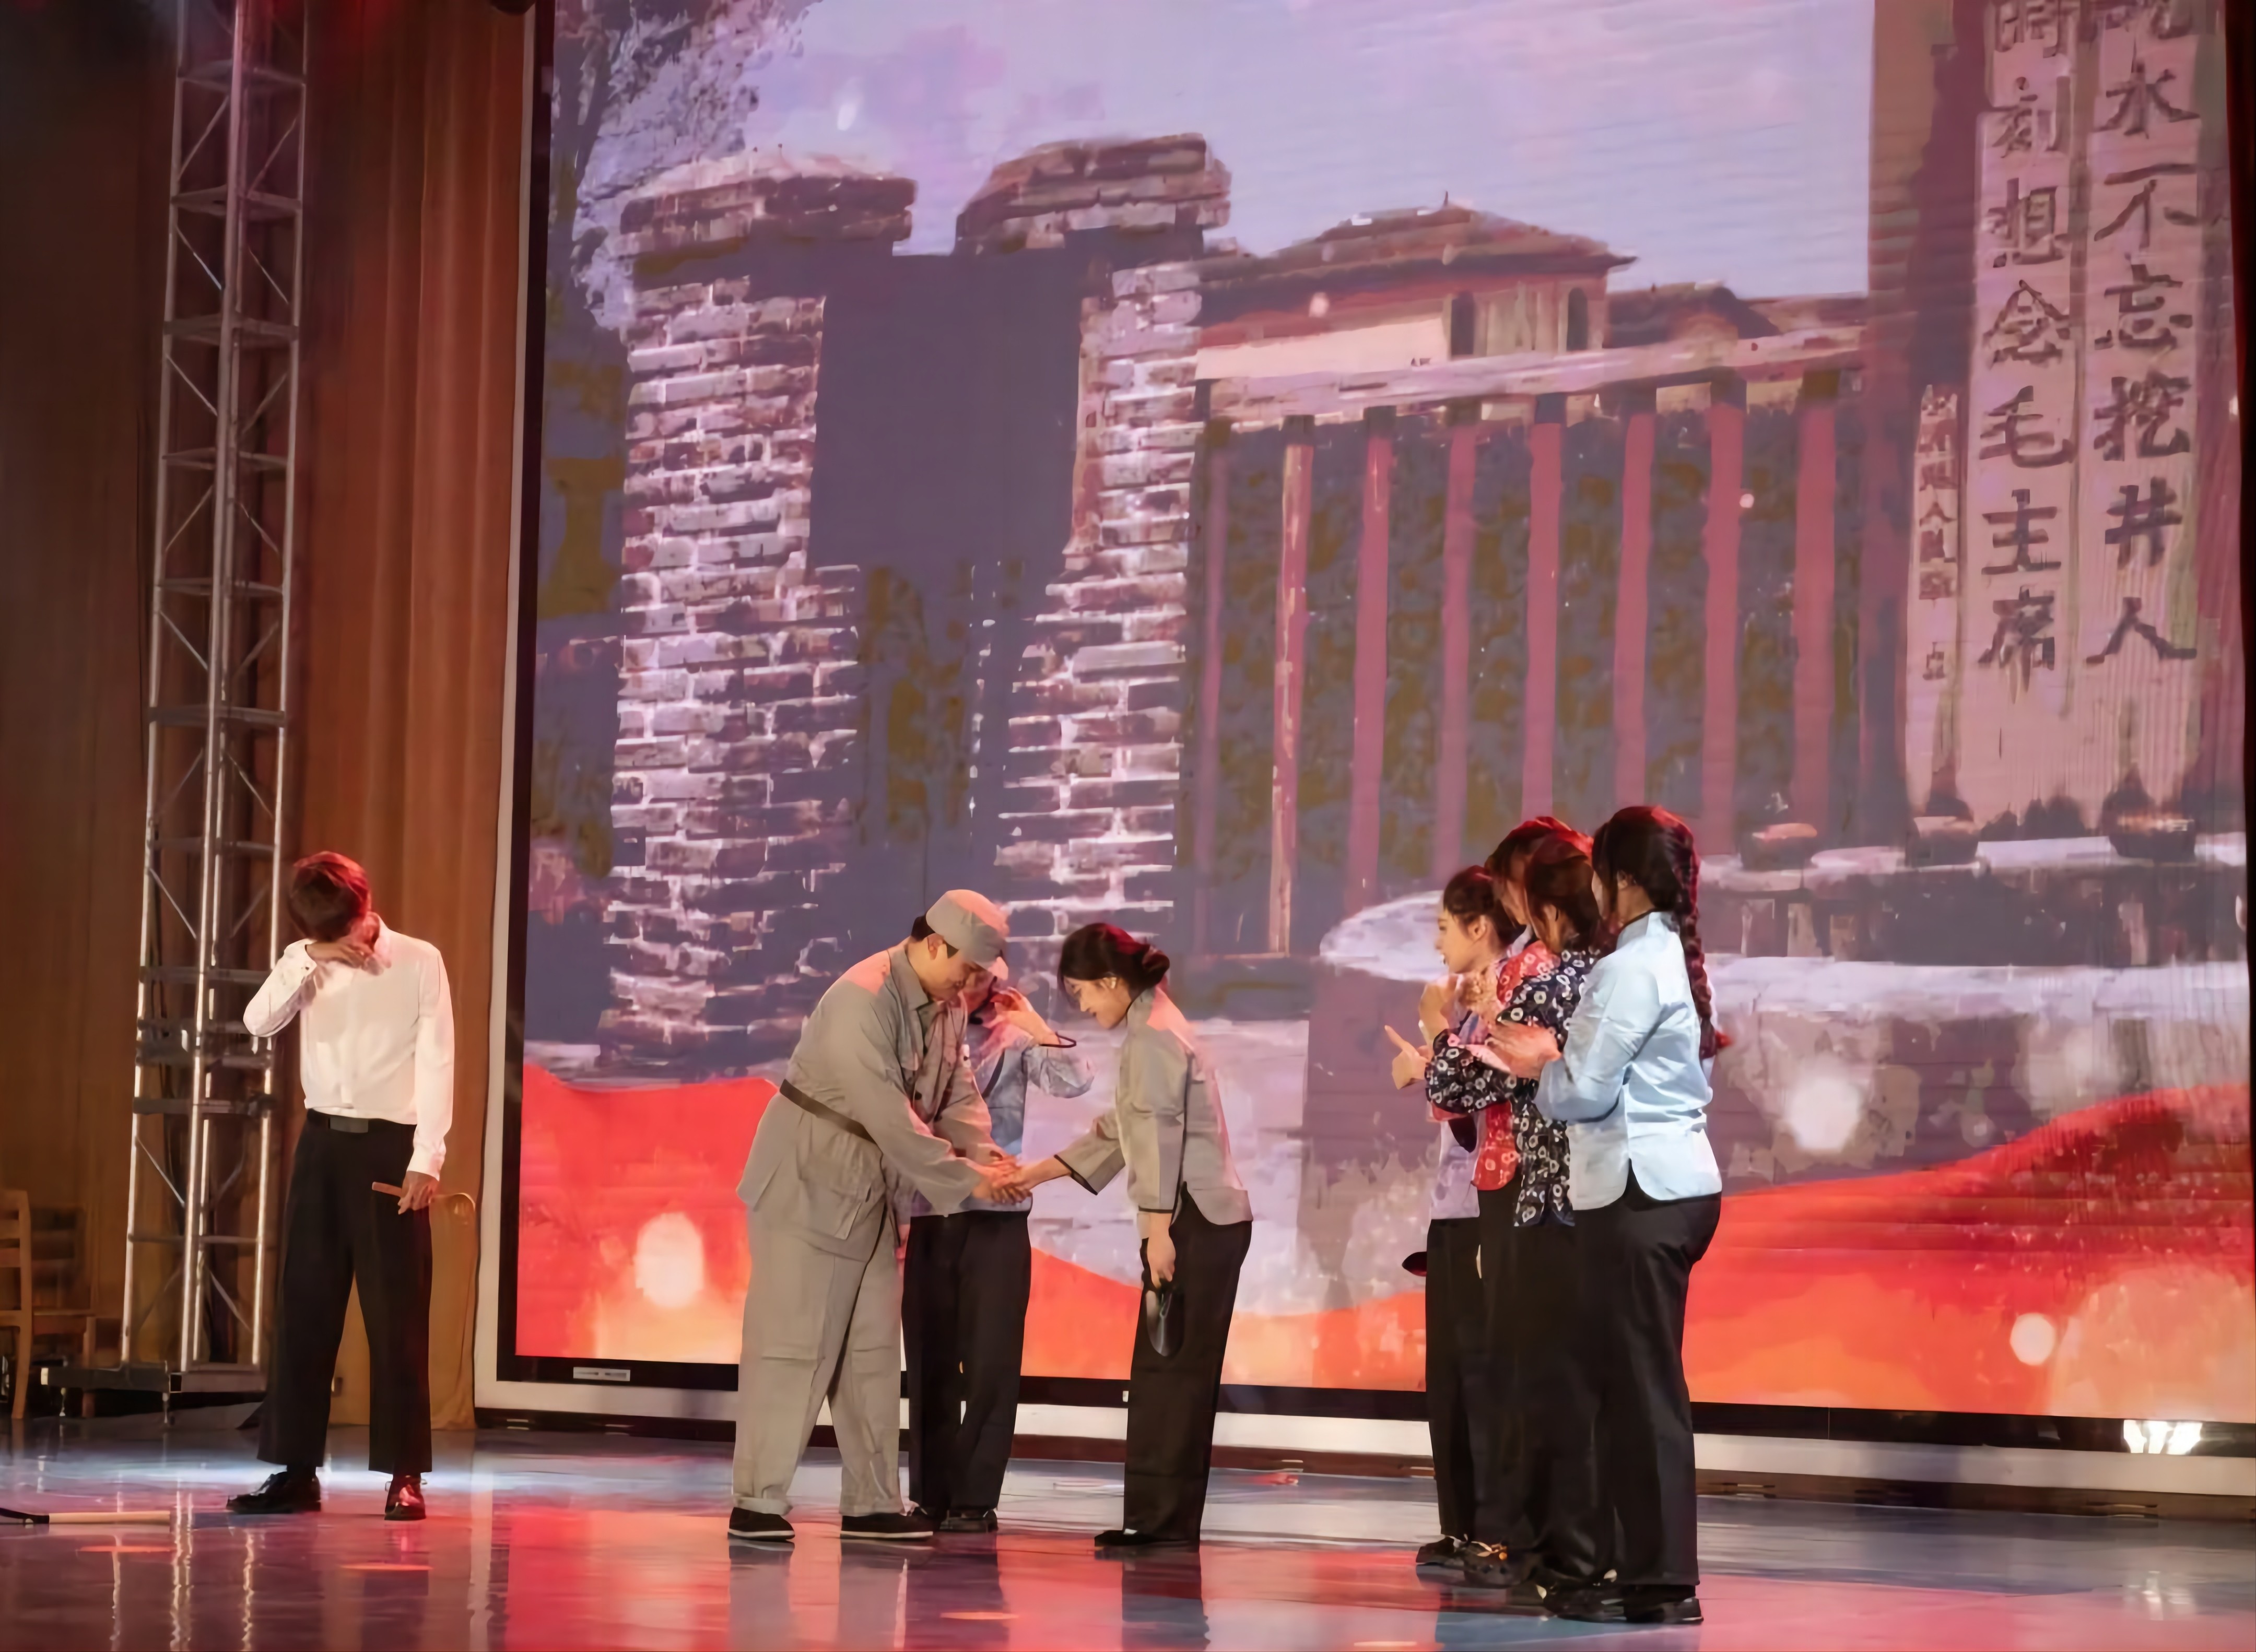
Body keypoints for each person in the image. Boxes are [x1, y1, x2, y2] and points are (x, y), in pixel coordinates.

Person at [729, 891, 1026, 1545]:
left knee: (871, 1352)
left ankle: (870, 1502)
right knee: (792, 1346)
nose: (971, 985)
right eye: (968, 969)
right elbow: (889, 1116)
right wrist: (967, 1177)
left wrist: (984, 1150)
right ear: (936, 944)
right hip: (811, 1180)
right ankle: (756, 1500)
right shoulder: (861, 1000)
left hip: (873, 1191)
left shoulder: (946, 1005)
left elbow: (957, 1090)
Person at [1493, 806, 1727, 1627]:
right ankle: (1645, 1571)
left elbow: (1584, 1093)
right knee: (1635, 1388)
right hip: (1665, 1187)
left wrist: (1543, 1063)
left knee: (1641, 1392)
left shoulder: (1630, 968)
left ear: (1621, 882)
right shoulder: (1671, 959)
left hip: (1638, 1193)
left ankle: (1662, 1582)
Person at [1001, 925, 1253, 1551]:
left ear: (1113, 981)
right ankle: (1157, 1518)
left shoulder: (1156, 1035)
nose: (1084, 1006)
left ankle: (1160, 1521)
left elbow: (1159, 1139)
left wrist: (1158, 1230)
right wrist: (1038, 1172)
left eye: (1084, 992)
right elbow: (1125, 1127)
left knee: (1173, 1371)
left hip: (1194, 1218)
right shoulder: (1153, 1027)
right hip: (1191, 1216)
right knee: (1166, 1369)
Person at [227, 853, 453, 1523]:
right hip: (322, 1143)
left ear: (366, 902)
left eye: (350, 924)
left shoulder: (420, 960)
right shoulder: (305, 960)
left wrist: (428, 1156)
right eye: (332, 932)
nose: (350, 938)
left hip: (391, 1146)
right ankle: (296, 1470)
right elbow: (257, 1021)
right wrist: (310, 956)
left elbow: (438, 1058)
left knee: (396, 1316)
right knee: (305, 1308)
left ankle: (405, 1473)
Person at [902, 959, 1093, 1534]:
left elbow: (1075, 1081)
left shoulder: (1012, 1033)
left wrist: (1037, 1026)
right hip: (931, 1209)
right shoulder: (917, 1027)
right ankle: (930, 1494)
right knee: (930, 1360)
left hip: (998, 1215)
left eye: (981, 977)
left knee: (991, 1363)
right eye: (962, 974)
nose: (968, 987)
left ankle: (975, 1496)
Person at [1380, 865, 1511, 1576]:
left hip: (1487, 1207)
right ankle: (1460, 1525)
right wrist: (1430, 1059)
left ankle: (1495, 1526)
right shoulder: (1470, 1011)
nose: (1437, 943)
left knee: (1486, 1373)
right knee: (1451, 1377)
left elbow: (1478, 1112)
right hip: (1452, 1210)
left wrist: (1433, 1037)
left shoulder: (1503, 1002)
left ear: (1479, 927)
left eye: (1443, 927)